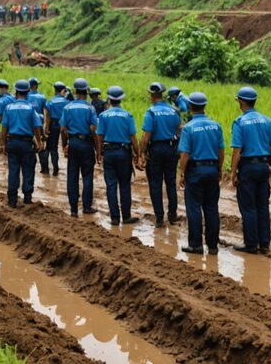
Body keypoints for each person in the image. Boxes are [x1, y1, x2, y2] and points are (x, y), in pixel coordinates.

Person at [231, 87, 271, 254]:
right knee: (262, 206)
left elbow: (237, 150)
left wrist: (233, 172)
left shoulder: (240, 122)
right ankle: (264, 244)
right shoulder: (267, 120)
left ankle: (251, 244)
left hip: (248, 168)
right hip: (264, 166)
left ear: (241, 102)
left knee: (249, 207)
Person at [178, 92, 224, 255]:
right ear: (204, 106)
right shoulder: (215, 126)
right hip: (212, 169)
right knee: (211, 208)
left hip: (195, 171)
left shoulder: (188, 128)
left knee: (194, 208)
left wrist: (181, 172)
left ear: (190, 107)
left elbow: (185, 154)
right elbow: (221, 150)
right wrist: (219, 168)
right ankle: (213, 246)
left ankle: (196, 245)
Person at [140, 82, 182, 228]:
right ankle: (173, 214)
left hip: (156, 149)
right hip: (172, 149)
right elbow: (179, 130)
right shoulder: (174, 111)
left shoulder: (150, 112)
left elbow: (146, 136)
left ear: (151, 95)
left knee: (155, 184)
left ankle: (159, 218)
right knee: (171, 182)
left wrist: (142, 152)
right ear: (163, 94)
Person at [96, 86, 140, 226]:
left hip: (108, 153)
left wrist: (99, 153)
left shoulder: (103, 115)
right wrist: (138, 154)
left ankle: (115, 218)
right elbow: (133, 137)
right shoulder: (127, 115)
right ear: (121, 99)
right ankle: (126, 217)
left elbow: (99, 136)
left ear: (109, 99)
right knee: (125, 185)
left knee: (111, 185)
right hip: (124, 153)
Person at [1, 80, 43, 208]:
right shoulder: (31, 108)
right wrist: (39, 141)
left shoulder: (8, 108)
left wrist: (4, 144)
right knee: (28, 169)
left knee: (13, 170)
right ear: (27, 92)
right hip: (26, 143)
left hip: (12, 142)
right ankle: (27, 198)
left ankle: (12, 199)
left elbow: (4, 128)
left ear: (16, 92)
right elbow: (36, 127)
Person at [60, 79, 98, 217]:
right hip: (86, 144)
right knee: (87, 175)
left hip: (73, 143)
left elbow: (63, 128)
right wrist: (98, 148)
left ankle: (73, 209)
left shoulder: (67, 107)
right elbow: (94, 129)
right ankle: (87, 207)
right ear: (86, 92)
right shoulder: (90, 108)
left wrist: (64, 145)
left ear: (75, 92)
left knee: (72, 175)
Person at [44, 81, 68, 176]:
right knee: (64, 145)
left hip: (53, 125)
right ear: (62, 90)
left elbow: (48, 116)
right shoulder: (66, 102)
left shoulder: (50, 101)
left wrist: (46, 127)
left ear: (55, 90)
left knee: (51, 148)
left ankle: (51, 169)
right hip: (64, 126)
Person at [28, 77, 49, 174]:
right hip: (39, 123)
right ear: (36, 86)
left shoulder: (26, 96)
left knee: (29, 143)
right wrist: (46, 126)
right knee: (41, 144)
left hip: (28, 123)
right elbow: (47, 111)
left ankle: (29, 165)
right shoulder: (42, 97)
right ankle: (44, 167)